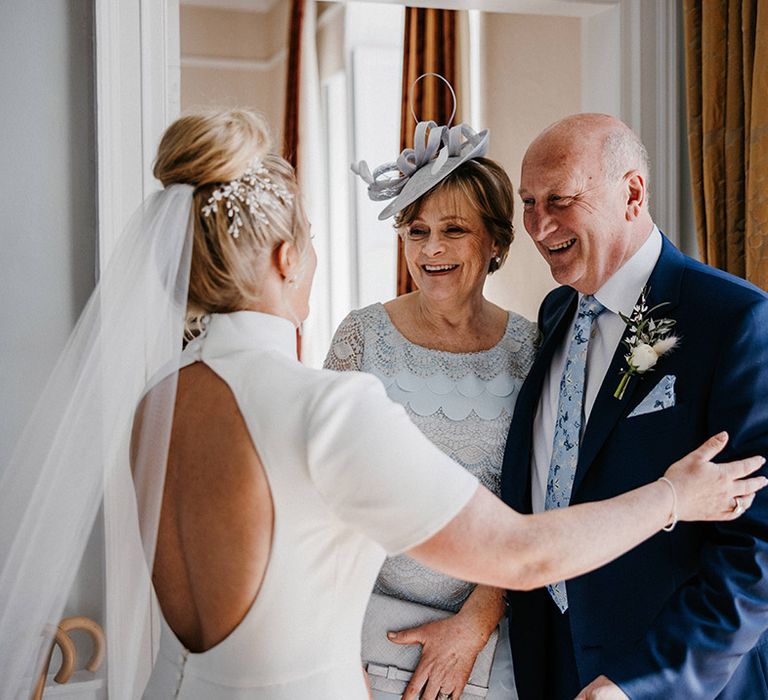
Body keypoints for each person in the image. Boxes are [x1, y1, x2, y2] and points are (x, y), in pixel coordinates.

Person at [0, 110, 764, 700]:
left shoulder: (154, 405)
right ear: (286, 258)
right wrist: (673, 495)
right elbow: (521, 551)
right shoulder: (328, 404)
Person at [500, 113, 768, 700]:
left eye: (560, 200)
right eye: (528, 202)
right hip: (547, 663)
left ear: (632, 193)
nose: (539, 226)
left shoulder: (732, 319)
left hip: (667, 678)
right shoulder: (554, 314)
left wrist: (641, 684)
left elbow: (758, 552)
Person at [326, 121, 533, 700]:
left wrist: (474, 625)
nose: (431, 249)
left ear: (495, 242)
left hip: (490, 641)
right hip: (364, 636)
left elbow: (536, 502)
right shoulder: (361, 337)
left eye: (453, 230)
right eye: (416, 231)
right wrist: (336, 644)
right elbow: (322, 499)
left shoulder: (532, 349)